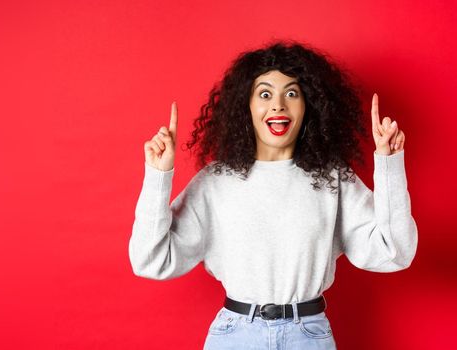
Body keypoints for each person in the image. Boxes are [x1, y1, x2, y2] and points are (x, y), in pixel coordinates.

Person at [128, 40, 418, 350]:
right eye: (265, 94)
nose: (278, 104)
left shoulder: (332, 179)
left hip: (308, 336)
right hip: (235, 336)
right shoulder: (215, 182)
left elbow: (394, 252)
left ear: (309, 105)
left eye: (291, 93)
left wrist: (389, 163)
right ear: (247, 106)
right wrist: (158, 176)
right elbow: (150, 261)